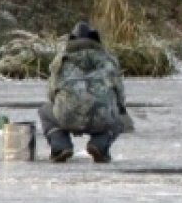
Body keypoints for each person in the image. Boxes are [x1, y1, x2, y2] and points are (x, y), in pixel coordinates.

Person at [39, 21, 133, 163]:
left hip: (67, 116)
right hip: (101, 117)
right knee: (118, 117)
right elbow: (119, 95)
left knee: (45, 110)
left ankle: (60, 146)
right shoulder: (109, 61)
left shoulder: (61, 61)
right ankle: (99, 145)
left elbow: (51, 93)